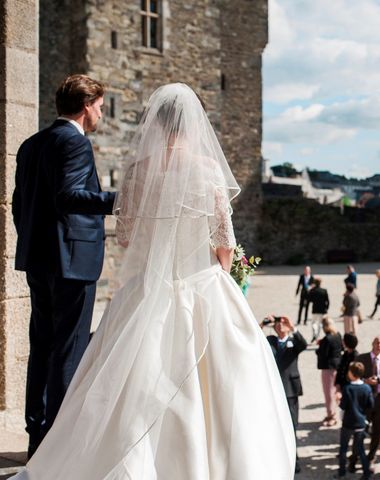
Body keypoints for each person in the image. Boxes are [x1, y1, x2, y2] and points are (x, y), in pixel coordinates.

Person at [12, 84, 296, 479]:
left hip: (148, 286)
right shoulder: (208, 168)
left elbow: (127, 237)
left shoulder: (138, 170)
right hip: (202, 282)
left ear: (157, 125)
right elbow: (224, 242)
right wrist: (227, 275)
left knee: (112, 375)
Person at [12, 75, 117, 457]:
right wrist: (119, 201)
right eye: (101, 106)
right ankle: (58, 445)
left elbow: (18, 205)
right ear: (87, 104)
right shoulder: (75, 142)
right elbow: (69, 196)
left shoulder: (31, 144)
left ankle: (37, 436)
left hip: (38, 260)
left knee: (41, 348)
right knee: (67, 352)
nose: (102, 113)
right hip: (72, 263)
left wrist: (33, 242)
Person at [265, 315, 308, 474]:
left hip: (290, 390)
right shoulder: (271, 341)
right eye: (278, 324)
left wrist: (292, 327)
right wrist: (263, 323)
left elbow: (303, 344)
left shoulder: (293, 342)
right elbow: (254, 338)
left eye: (283, 324)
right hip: (275, 389)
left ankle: (294, 461)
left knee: (292, 426)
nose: (281, 326)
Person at [354, 336, 380, 467]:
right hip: (365, 400)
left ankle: (371, 456)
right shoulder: (361, 358)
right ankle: (355, 456)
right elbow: (353, 377)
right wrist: (366, 381)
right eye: (377, 342)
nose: (379, 345)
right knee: (361, 429)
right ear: (372, 343)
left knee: (377, 431)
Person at [336, 362, 374, 479]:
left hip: (348, 423)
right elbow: (370, 405)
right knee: (360, 449)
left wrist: (339, 403)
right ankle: (366, 473)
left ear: (351, 373)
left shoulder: (348, 388)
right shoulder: (366, 388)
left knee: (343, 448)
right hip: (361, 423)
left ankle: (342, 472)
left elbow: (343, 406)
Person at [316, 318, 343, 427]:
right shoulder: (338, 335)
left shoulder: (327, 339)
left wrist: (319, 347)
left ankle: (332, 415)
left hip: (328, 368)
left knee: (329, 393)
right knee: (334, 391)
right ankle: (332, 413)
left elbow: (323, 353)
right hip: (337, 366)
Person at [307, 277, 330, 341]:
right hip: (322, 309)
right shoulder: (324, 290)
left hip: (315, 309)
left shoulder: (312, 290)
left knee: (313, 323)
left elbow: (309, 300)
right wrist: (326, 308)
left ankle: (315, 332)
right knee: (320, 323)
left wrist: (309, 292)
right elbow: (327, 301)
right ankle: (317, 336)